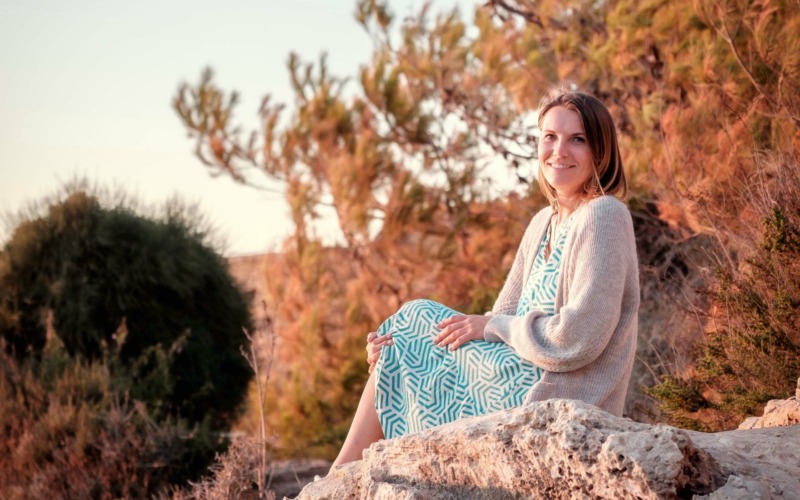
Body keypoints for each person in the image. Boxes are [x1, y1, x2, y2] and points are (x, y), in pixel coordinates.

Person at [330, 90, 639, 468]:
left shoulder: (604, 214)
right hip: (513, 378)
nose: (559, 151)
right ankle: (341, 475)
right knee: (405, 332)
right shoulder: (543, 222)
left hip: (555, 396)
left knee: (415, 319)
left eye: (578, 139)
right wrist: (401, 352)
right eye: (550, 137)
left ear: (600, 152)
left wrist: (488, 327)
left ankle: (338, 475)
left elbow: (579, 337)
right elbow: (497, 320)